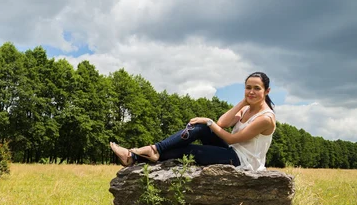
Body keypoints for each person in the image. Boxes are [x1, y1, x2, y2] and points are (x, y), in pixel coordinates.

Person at [110, 72, 276, 171]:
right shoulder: (246, 107)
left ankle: (134, 157)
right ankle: (154, 150)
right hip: (231, 151)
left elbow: (231, 138)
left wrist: (210, 122)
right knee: (200, 127)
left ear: (267, 91)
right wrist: (243, 102)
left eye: (257, 88)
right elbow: (223, 123)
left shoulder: (265, 118)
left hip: (244, 162)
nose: (251, 92)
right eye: (248, 88)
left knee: (190, 150)